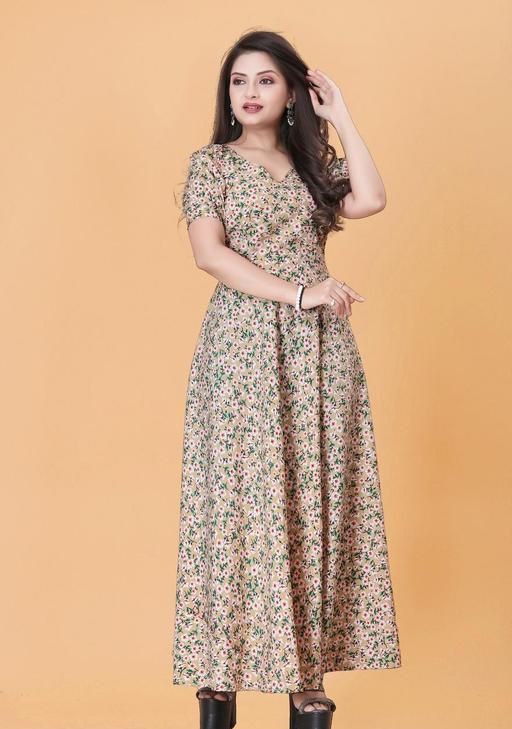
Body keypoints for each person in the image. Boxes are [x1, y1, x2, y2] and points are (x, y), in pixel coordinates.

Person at [172, 29, 401, 729]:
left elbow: (371, 198)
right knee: (238, 506)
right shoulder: (211, 164)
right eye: (239, 80)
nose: (249, 92)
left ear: (293, 91)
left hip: (318, 355)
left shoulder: (312, 166)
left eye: (266, 79)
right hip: (242, 349)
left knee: (310, 502)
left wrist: (342, 117)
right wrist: (300, 293)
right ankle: (221, 667)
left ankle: (306, 676)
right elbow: (209, 254)